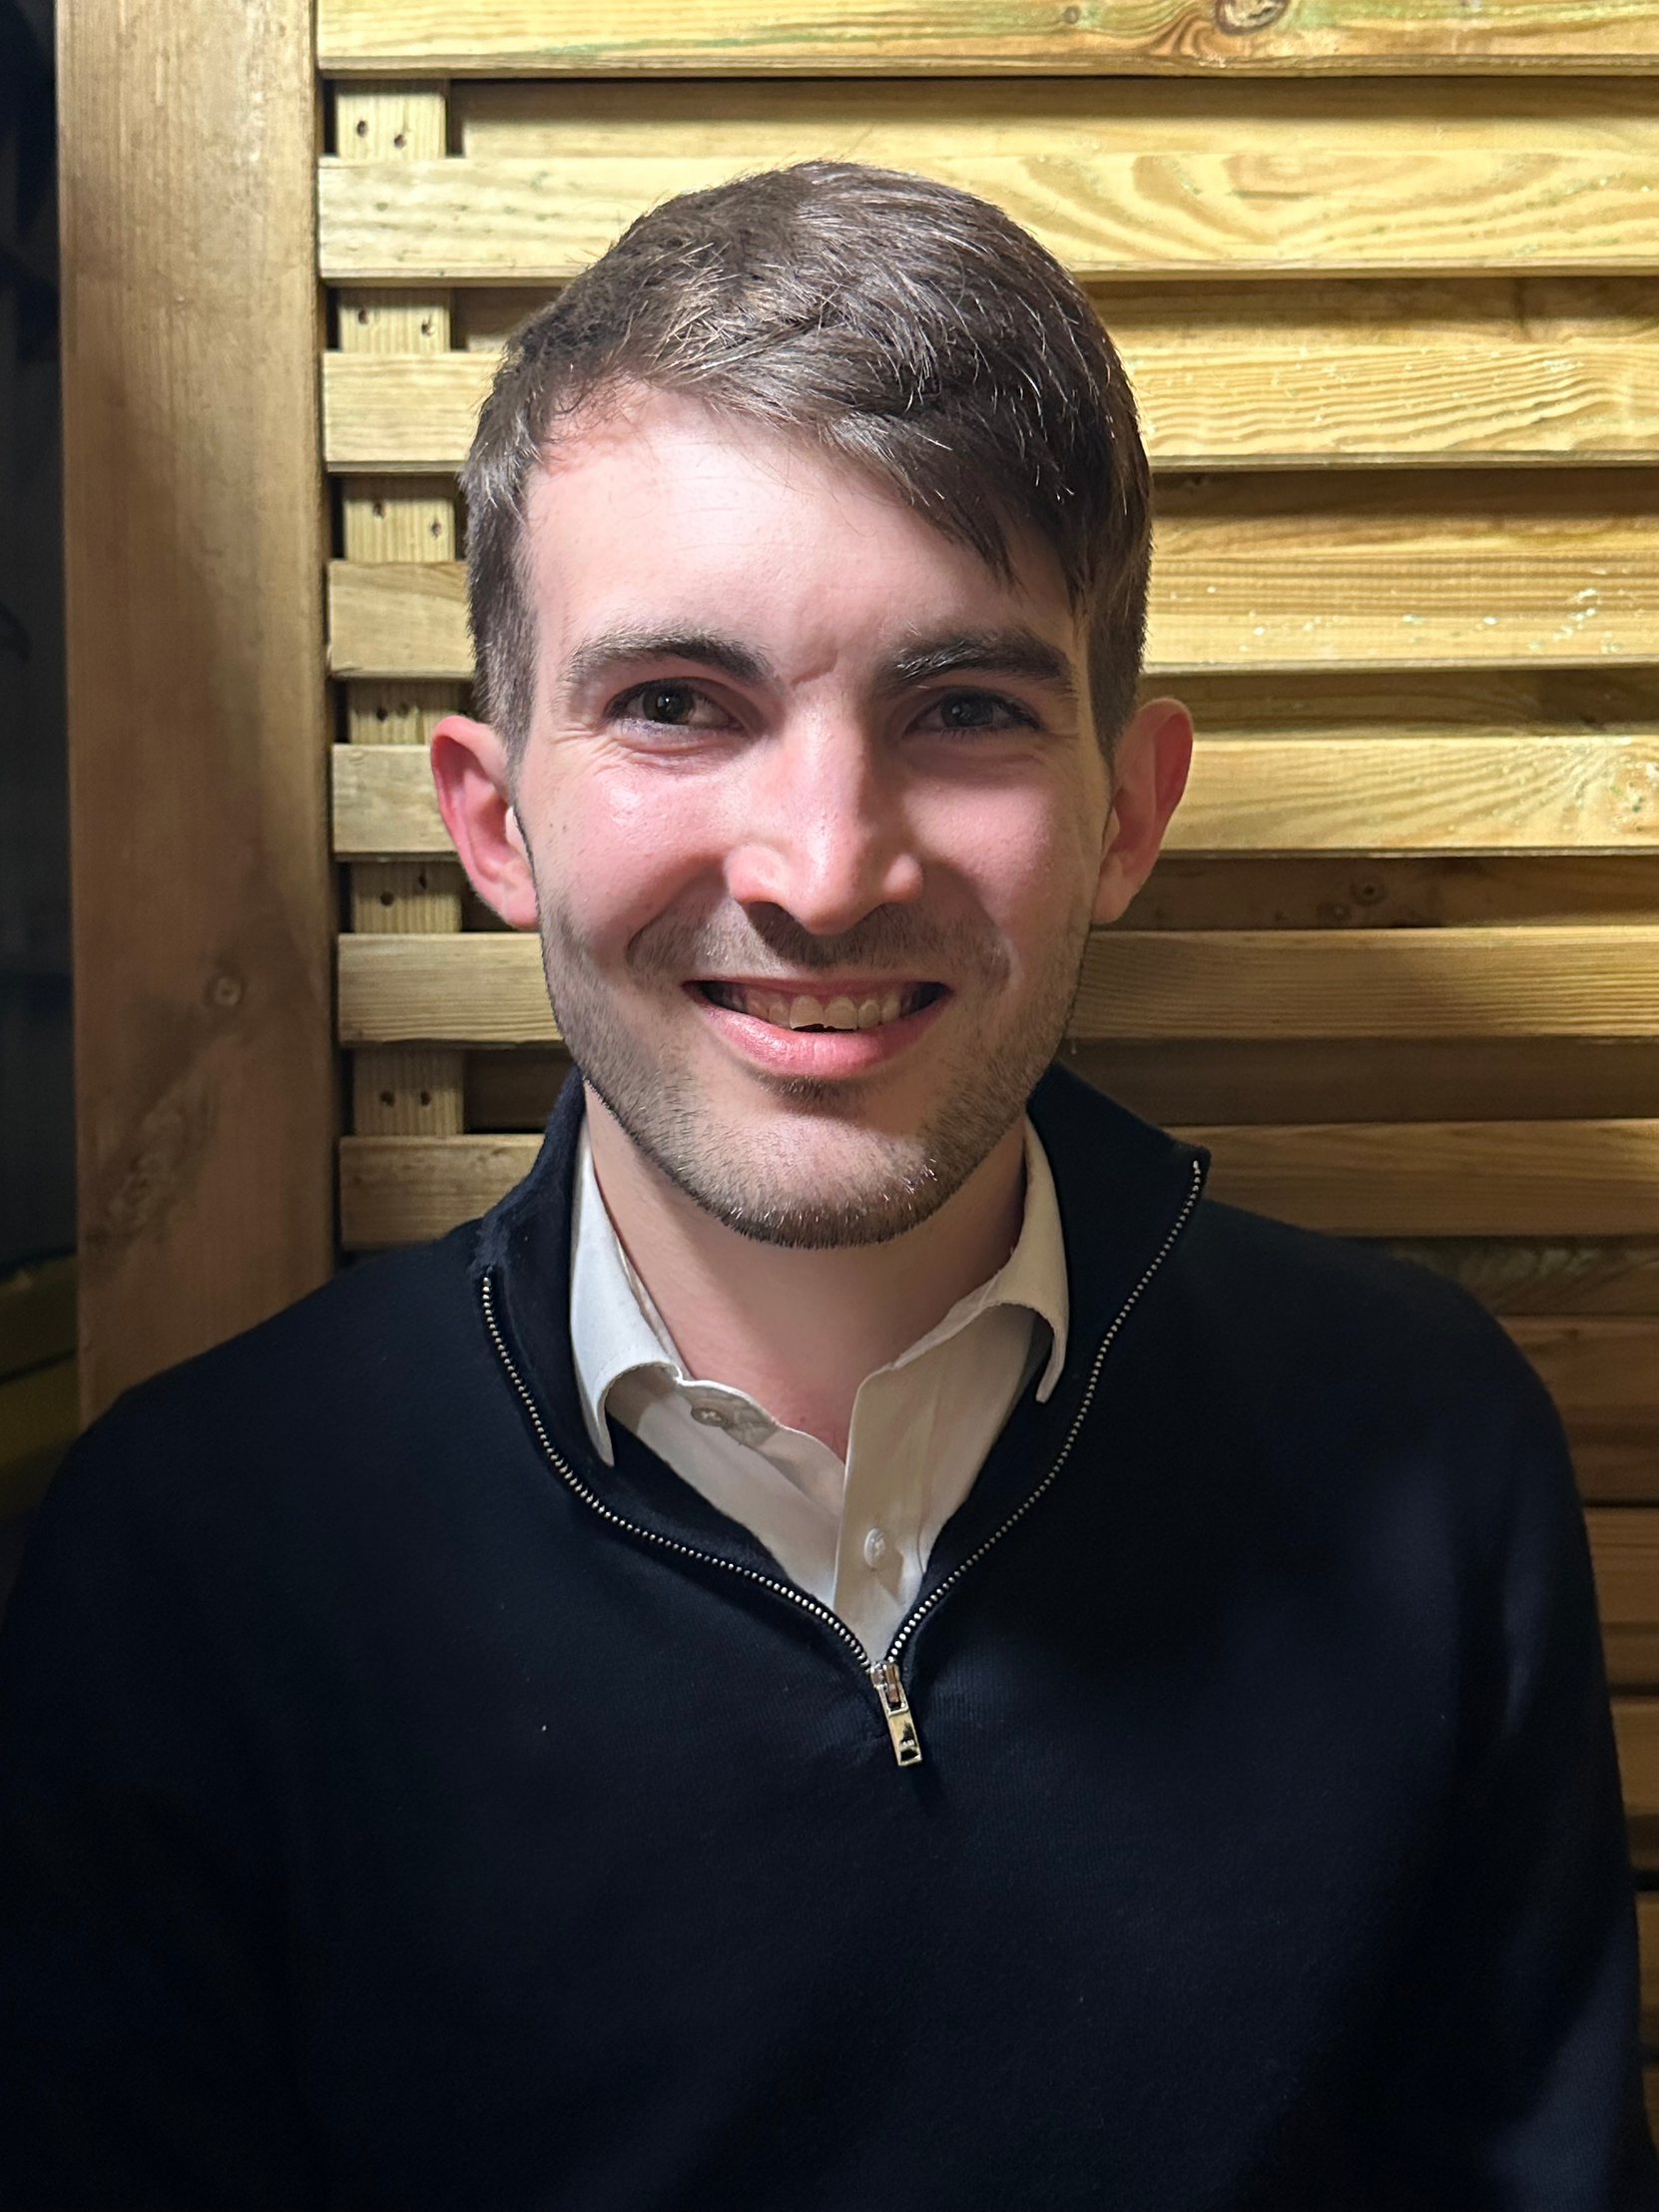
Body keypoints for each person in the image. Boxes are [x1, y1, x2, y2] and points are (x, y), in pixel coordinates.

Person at [1, 160, 1653, 2212]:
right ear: (491, 820)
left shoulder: (1427, 1456)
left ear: (1126, 814)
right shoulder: (184, 1560)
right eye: (674, 707)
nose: (822, 867)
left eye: (960, 710)